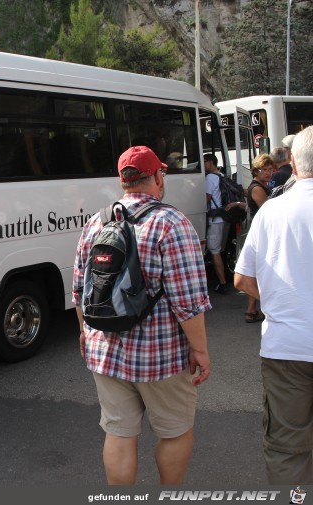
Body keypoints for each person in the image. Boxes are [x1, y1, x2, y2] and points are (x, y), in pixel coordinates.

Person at [73, 145, 212, 485]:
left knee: (120, 433)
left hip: (105, 349)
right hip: (161, 355)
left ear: (122, 180)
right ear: (158, 177)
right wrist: (201, 350)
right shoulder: (171, 222)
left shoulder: (96, 222)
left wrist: (83, 333)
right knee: (175, 431)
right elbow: (188, 300)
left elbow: (79, 289)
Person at [234, 125, 313, 485]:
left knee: (287, 448)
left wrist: (284, 298)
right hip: (287, 348)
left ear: (293, 164)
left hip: (287, 348)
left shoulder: (273, 210)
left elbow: (242, 280)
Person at [204, 153, 245, 294]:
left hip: (215, 219)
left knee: (214, 251)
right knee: (219, 250)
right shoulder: (221, 176)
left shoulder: (210, 177)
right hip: (225, 217)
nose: (203, 165)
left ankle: (222, 283)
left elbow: (207, 198)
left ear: (210, 162)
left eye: (204, 162)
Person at [243, 154, 273, 323]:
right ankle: (252, 309)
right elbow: (267, 210)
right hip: (260, 233)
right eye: (264, 169)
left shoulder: (259, 186)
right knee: (258, 272)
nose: (268, 173)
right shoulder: (257, 188)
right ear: (256, 171)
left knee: (256, 272)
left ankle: (251, 310)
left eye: (270, 169)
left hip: (259, 231)